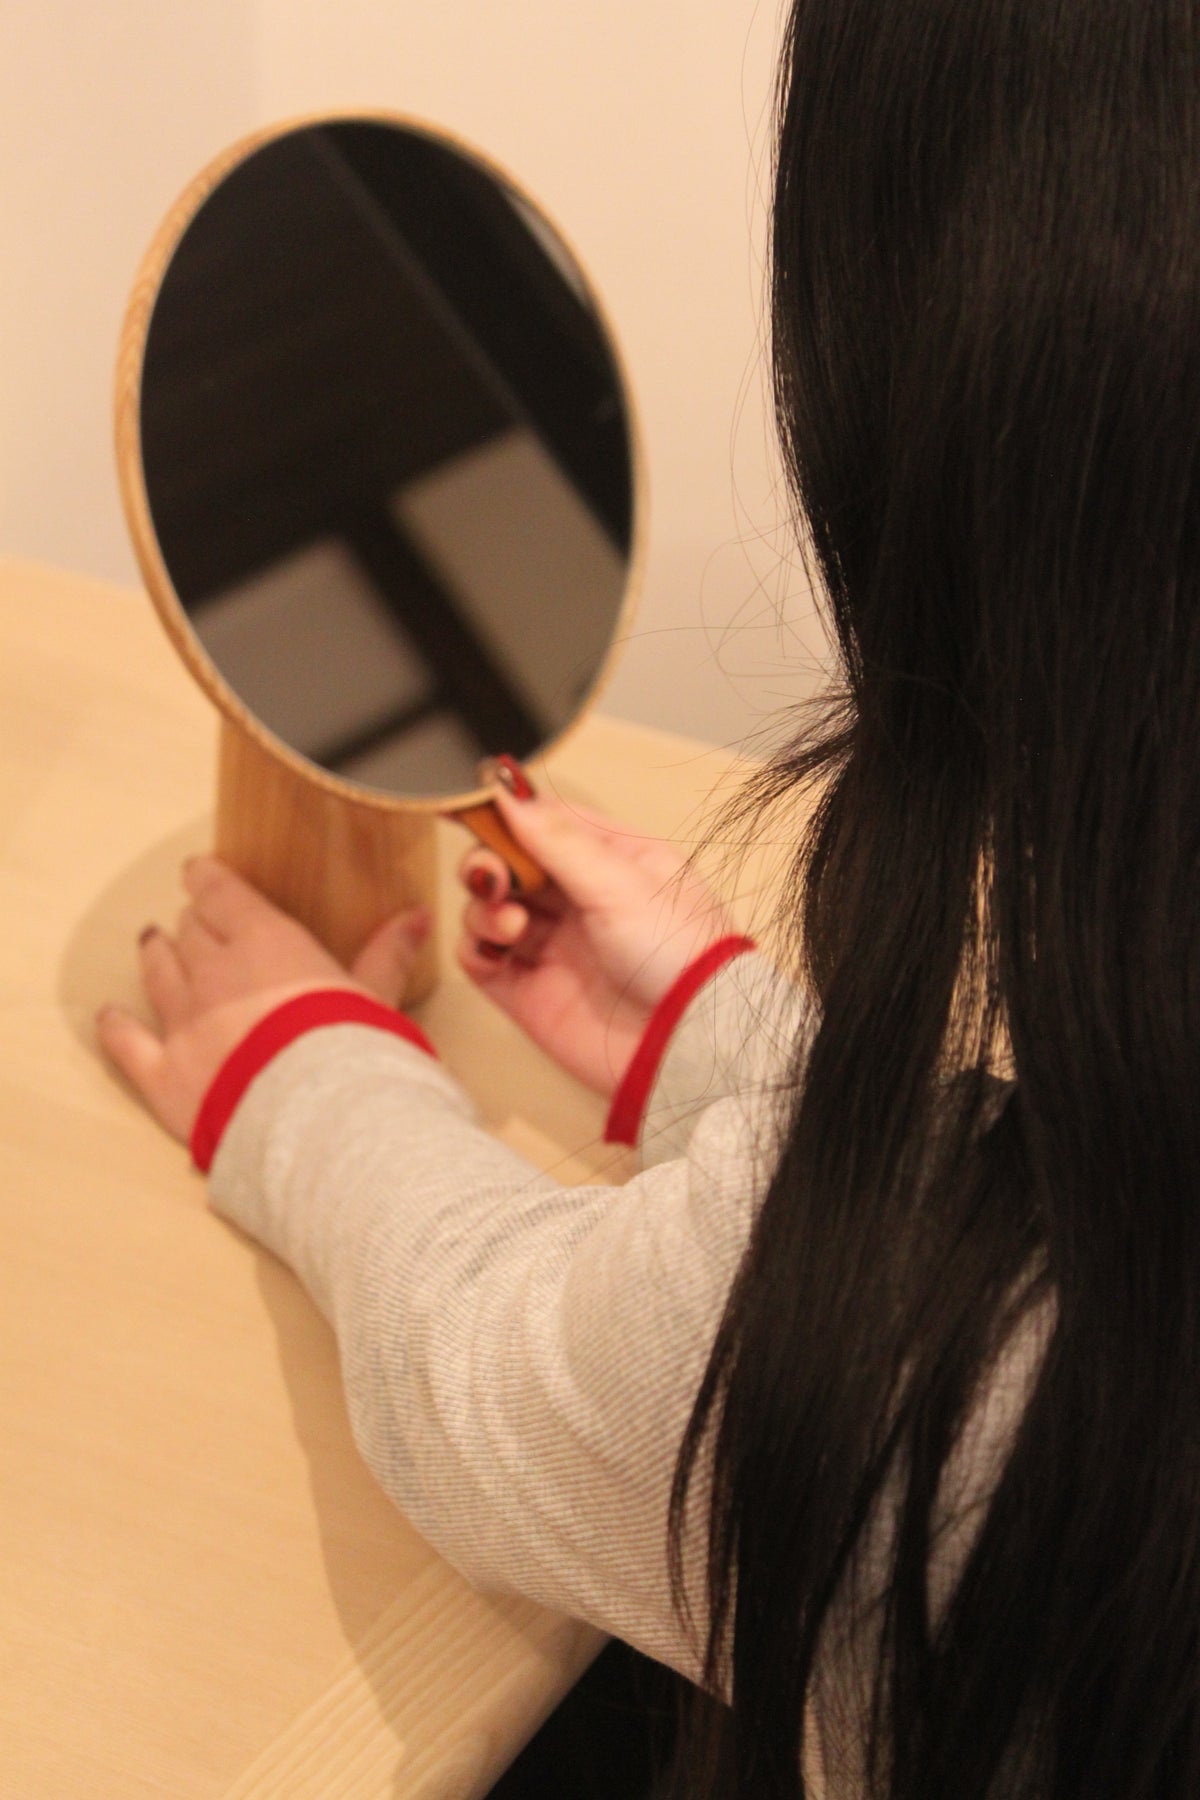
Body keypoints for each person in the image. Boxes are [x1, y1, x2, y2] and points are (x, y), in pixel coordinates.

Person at [98, 0, 1200, 1794]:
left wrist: (292, 1073)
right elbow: (1048, 1200)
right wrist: (715, 1027)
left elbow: (485, 1373)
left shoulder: (976, 1403)